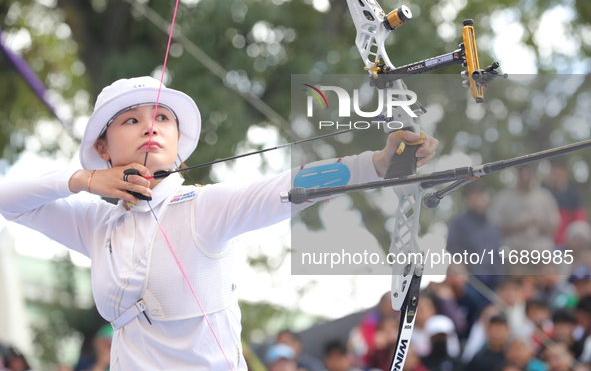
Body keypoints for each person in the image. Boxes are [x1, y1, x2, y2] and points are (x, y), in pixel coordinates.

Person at [0, 76, 440, 370]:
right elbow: (8, 199)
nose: (149, 127)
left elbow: (287, 187)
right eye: (131, 120)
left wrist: (376, 165)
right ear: (103, 147)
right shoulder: (96, 223)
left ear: (180, 149)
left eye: (163, 119)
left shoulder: (202, 207)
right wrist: (86, 180)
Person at [489, 164, 559, 274]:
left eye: (529, 174)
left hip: (541, 255)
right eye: (523, 174)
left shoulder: (545, 197)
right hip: (514, 255)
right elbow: (494, 228)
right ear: (517, 176)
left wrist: (539, 224)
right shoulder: (503, 198)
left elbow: (554, 227)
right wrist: (519, 226)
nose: (526, 178)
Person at [446, 184, 502, 289]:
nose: (476, 200)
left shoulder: (493, 225)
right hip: (469, 279)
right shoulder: (458, 223)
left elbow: (497, 252)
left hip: (493, 280)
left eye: (479, 196)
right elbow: (452, 246)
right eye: (472, 197)